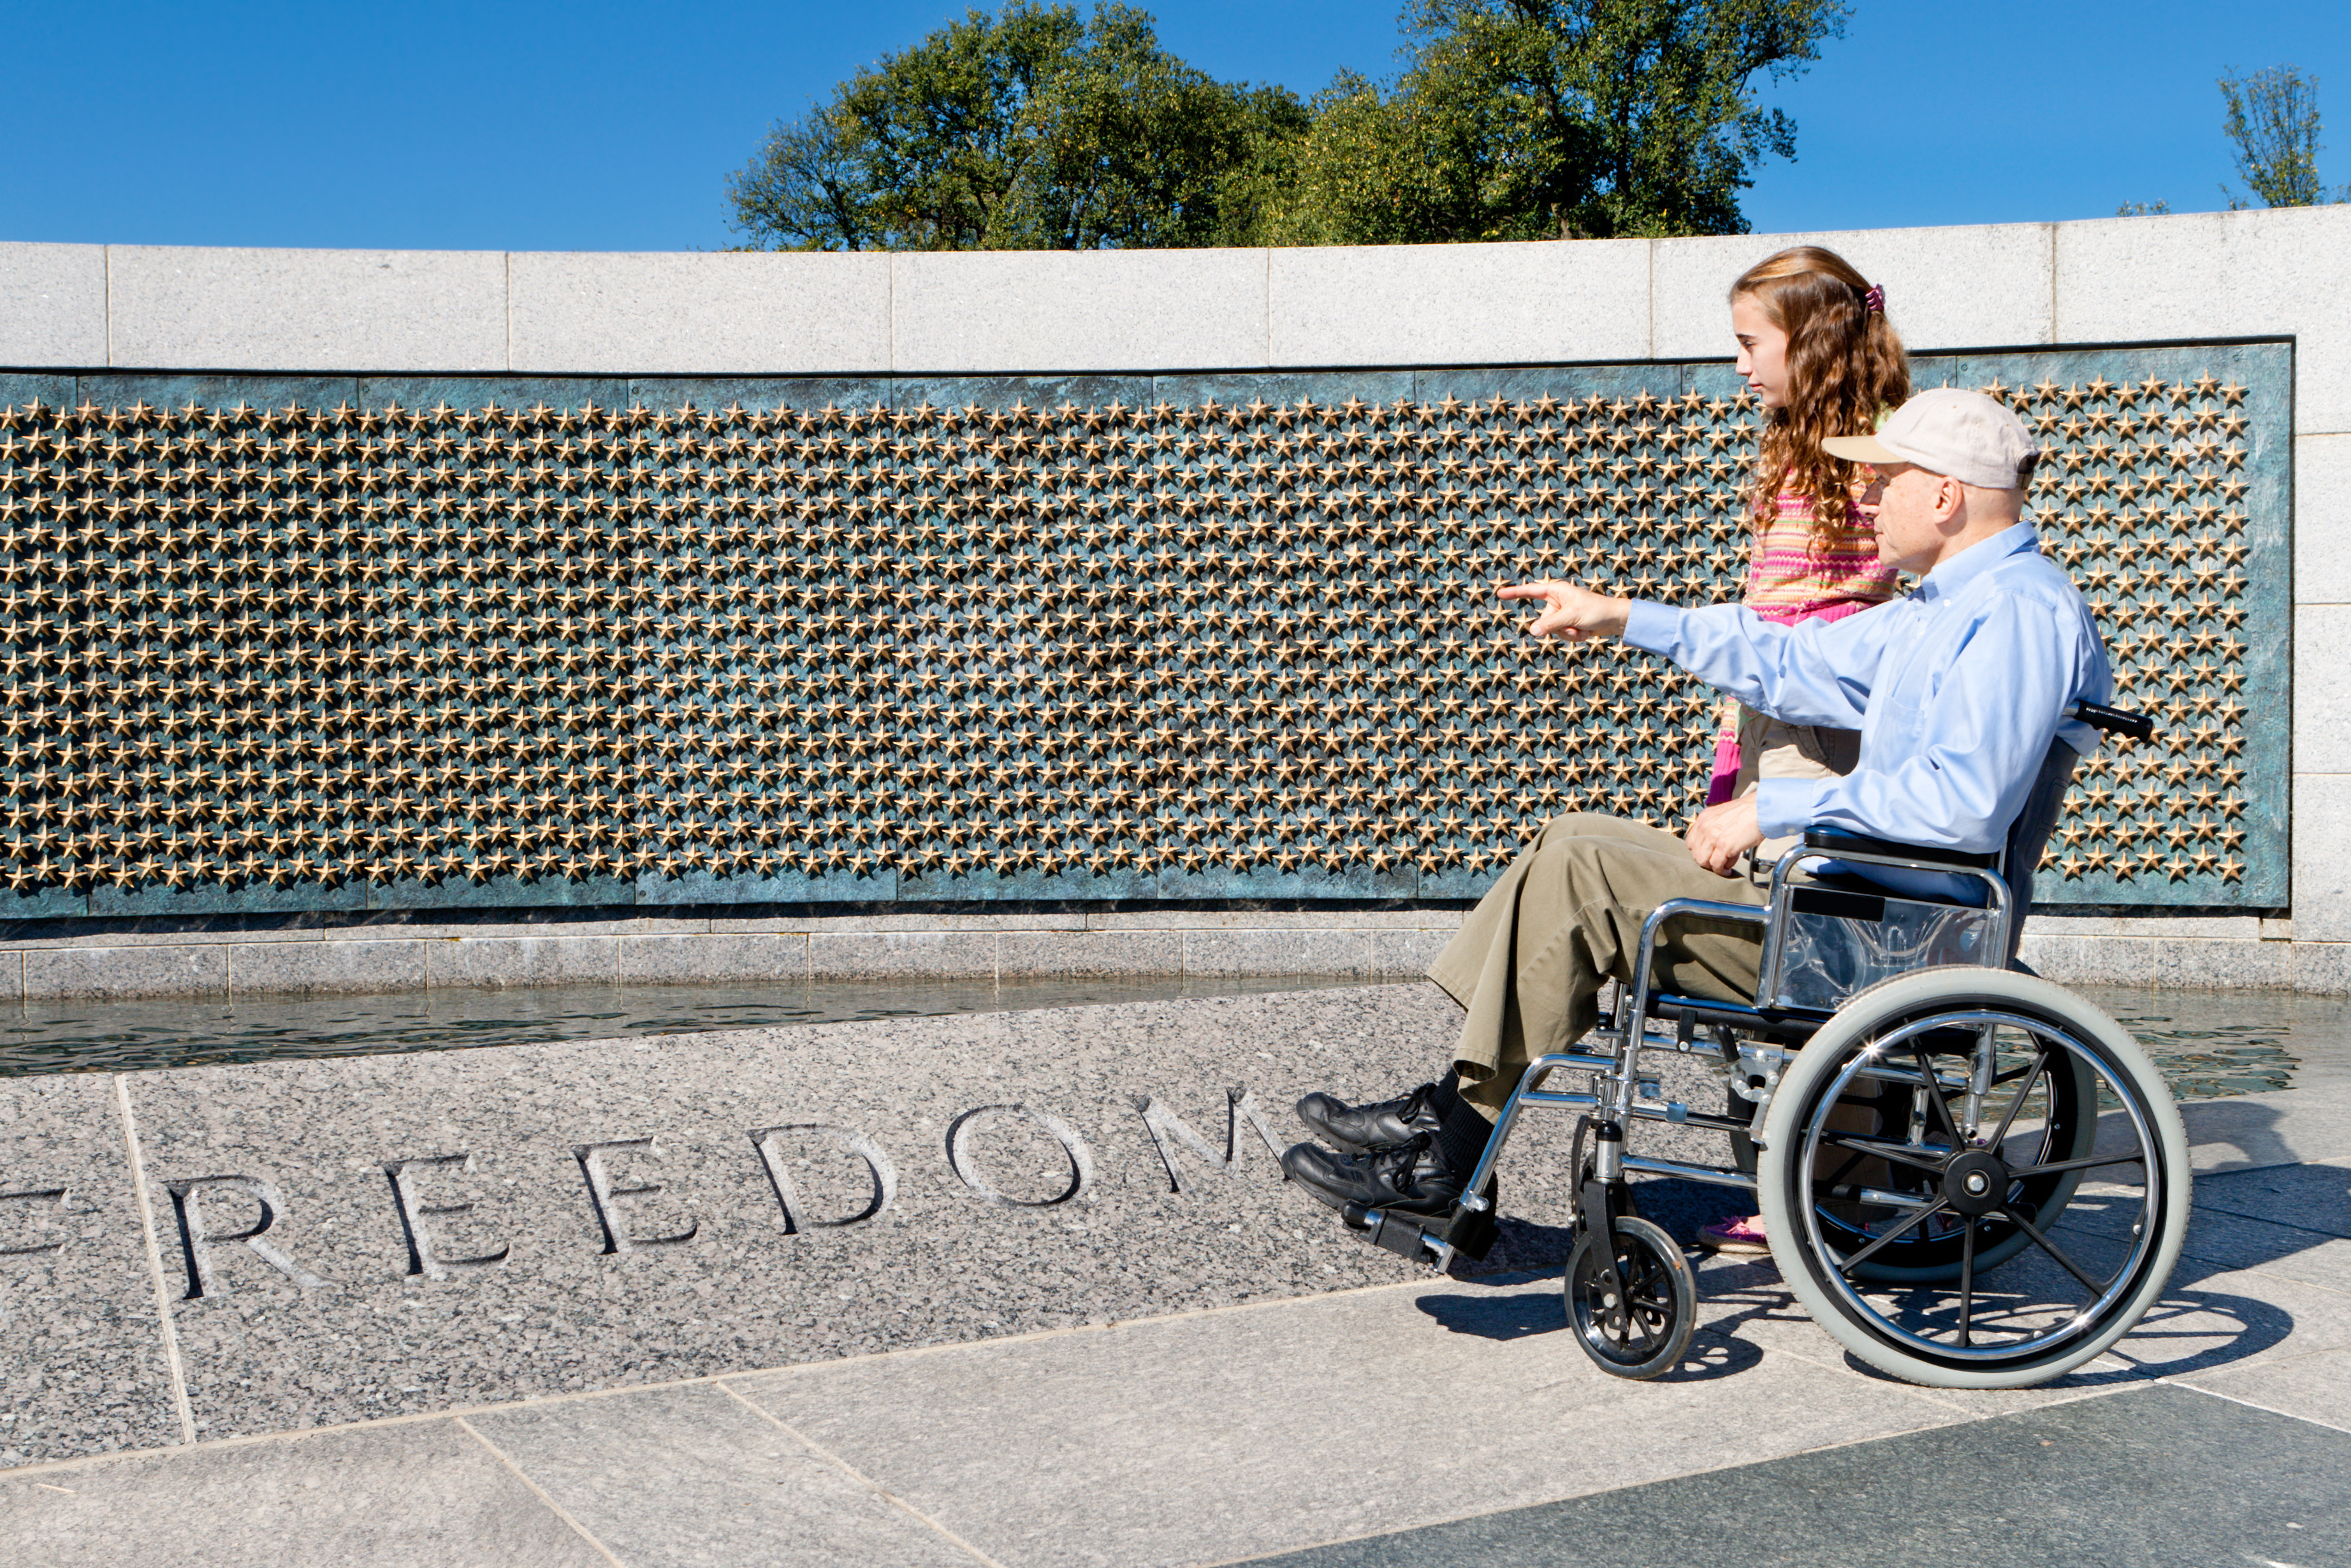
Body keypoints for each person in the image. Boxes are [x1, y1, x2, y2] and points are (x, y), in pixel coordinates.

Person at [1279, 389, 2113, 1228]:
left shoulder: (2017, 612)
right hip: (1848, 913)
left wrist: (1774, 808)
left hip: (1882, 941)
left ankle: (1451, 1158)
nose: (1865, 496)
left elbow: (1965, 804)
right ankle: (1452, 1120)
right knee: (1573, 837)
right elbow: (1787, 660)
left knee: (1583, 875)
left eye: (1885, 477)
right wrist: (1625, 619)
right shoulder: (1943, 608)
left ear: (1945, 495)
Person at [1710, 247, 1909, 871]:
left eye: (1750, 344)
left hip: (1818, 722)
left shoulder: (1880, 445)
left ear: (1810, 345)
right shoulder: (1792, 440)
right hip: (1766, 706)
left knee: (1787, 888)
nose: (1740, 366)